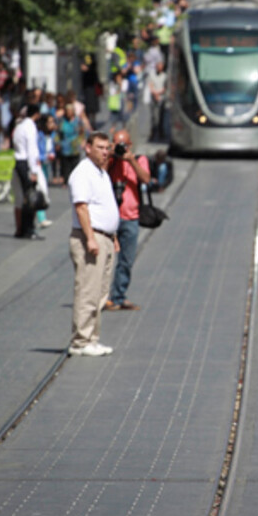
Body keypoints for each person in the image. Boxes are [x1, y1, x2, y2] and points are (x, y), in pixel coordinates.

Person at [67, 132, 120, 357]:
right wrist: (90, 237)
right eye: (100, 147)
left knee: (100, 292)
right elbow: (82, 207)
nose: (105, 152)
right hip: (91, 237)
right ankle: (80, 340)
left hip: (105, 237)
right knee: (88, 290)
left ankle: (92, 338)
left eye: (107, 148)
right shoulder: (82, 173)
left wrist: (113, 236)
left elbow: (104, 206)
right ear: (87, 148)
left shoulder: (101, 172)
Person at [104, 130, 151, 311]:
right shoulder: (110, 159)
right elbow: (101, 173)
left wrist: (130, 160)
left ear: (130, 145)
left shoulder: (139, 159)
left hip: (131, 217)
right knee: (105, 261)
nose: (120, 148)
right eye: (117, 144)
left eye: (123, 144)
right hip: (110, 218)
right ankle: (102, 297)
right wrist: (111, 156)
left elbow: (146, 179)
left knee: (126, 261)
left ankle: (118, 297)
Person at [11, 105, 42, 239]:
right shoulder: (30, 126)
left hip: (18, 162)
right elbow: (31, 148)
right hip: (26, 163)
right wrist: (34, 170)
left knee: (23, 197)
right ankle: (29, 228)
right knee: (30, 197)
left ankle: (22, 228)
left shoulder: (20, 126)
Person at [147, 60, 168, 143]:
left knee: (161, 117)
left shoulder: (165, 76)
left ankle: (161, 133)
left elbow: (165, 87)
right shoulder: (152, 75)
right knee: (154, 117)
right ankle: (153, 133)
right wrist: (155, 93)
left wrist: (158, 94)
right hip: (154, 99)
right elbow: (150, 85)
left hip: (161, 99)